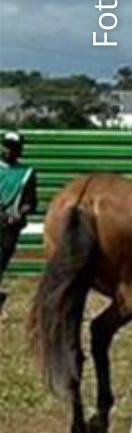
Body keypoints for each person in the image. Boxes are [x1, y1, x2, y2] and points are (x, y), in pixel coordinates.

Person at [0, 131, 35, 319]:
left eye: (13, 148)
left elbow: (31, 202)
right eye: (6, 147)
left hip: (9, 227)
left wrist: (19, 214)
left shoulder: (26, 174)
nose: (8, 151)